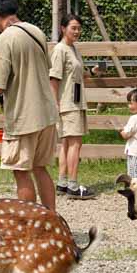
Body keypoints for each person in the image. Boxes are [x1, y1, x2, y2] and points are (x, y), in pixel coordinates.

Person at [0, 0, 59, 212]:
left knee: (21, 171)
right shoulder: (36, 31)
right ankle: (52, 220)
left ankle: (29, 225)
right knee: (41, 168)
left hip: (23, 116)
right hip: (47, 112)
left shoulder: (5, 39)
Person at [49, 15, 93, 199]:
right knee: (75, 143)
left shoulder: (73, 49)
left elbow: (77, 74)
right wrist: (55, 104)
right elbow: (54, 78)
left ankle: (63, 182)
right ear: (63, 28)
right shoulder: (60, 50)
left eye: (78, 28)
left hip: (75, 101)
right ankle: (73, 185)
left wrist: (91, 72)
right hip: (67, 104)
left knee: (67, 144)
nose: (77, 31)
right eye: (73, 28)